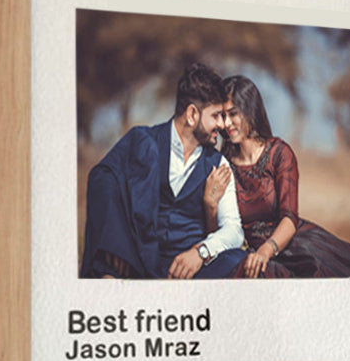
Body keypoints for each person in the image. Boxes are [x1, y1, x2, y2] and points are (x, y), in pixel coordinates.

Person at [203, 75, 350, 279]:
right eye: (222, 115)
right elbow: (221, 232)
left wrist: (266, 251)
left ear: (249, 109)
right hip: (249, 256)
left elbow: (289, 218)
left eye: (233, 114)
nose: (226, 123)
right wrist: (210, 205)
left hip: (294, 247)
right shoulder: (222, 163)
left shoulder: (279, 153)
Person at [80, 63, 247, 279]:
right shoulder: (143, 141)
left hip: (191, 267)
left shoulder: (219, 164)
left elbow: (234, 230)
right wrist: (116, 246)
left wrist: (200, 253)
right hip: (141, 259)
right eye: (216, 116)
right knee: (107, 276)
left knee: (237, 261)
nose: (223, 124)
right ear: (192, 114)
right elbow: (101, 179)